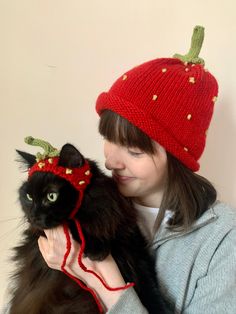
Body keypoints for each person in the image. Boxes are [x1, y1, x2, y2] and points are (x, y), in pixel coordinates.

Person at [38, 26, 236, 313]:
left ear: (176, 157)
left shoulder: (222, 239)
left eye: (134, 151)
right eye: (108, 140)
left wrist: (100, 276)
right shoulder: (80, 203)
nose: (111, 162)